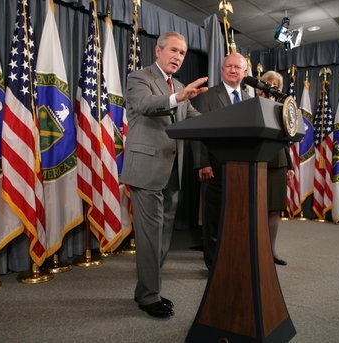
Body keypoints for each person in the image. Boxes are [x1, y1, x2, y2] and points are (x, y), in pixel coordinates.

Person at [120, 31, 208, 319]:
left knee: (163, 238)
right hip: (145, 169)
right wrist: (178, 96)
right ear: (158, 51)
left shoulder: (181, 86)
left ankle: (146, 288)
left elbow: (194, 118)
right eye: (173, 50)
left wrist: (226, 120)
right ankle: (149, 297)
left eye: (182, 53)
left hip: (172, 172)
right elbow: (146, 105)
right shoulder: (139, 78)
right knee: (149, 237)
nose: (178, 57)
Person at [191, 53, 250, 270]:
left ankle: (231, 259)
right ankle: (213, 266)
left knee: (235, 217)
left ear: (245, 72)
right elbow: (199, 130)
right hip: (214, 167)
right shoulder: (208, 95)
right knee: (214, 220)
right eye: (229, 66)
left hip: (241, 168)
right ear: (222, 70)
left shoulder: (247, 98)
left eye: (238, 67)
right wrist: (202, 162)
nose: (233, 70)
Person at [257, 70, 292, 266]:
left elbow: (286, 139)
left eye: (276, 84)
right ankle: (256, 249)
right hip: (257, 160)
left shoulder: (283, 107)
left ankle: (271, 250)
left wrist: (290, 165)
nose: (272, 87)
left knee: (274, 210)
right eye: (269, 83)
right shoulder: (252, 103)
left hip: (278, 162)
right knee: (257, 208)